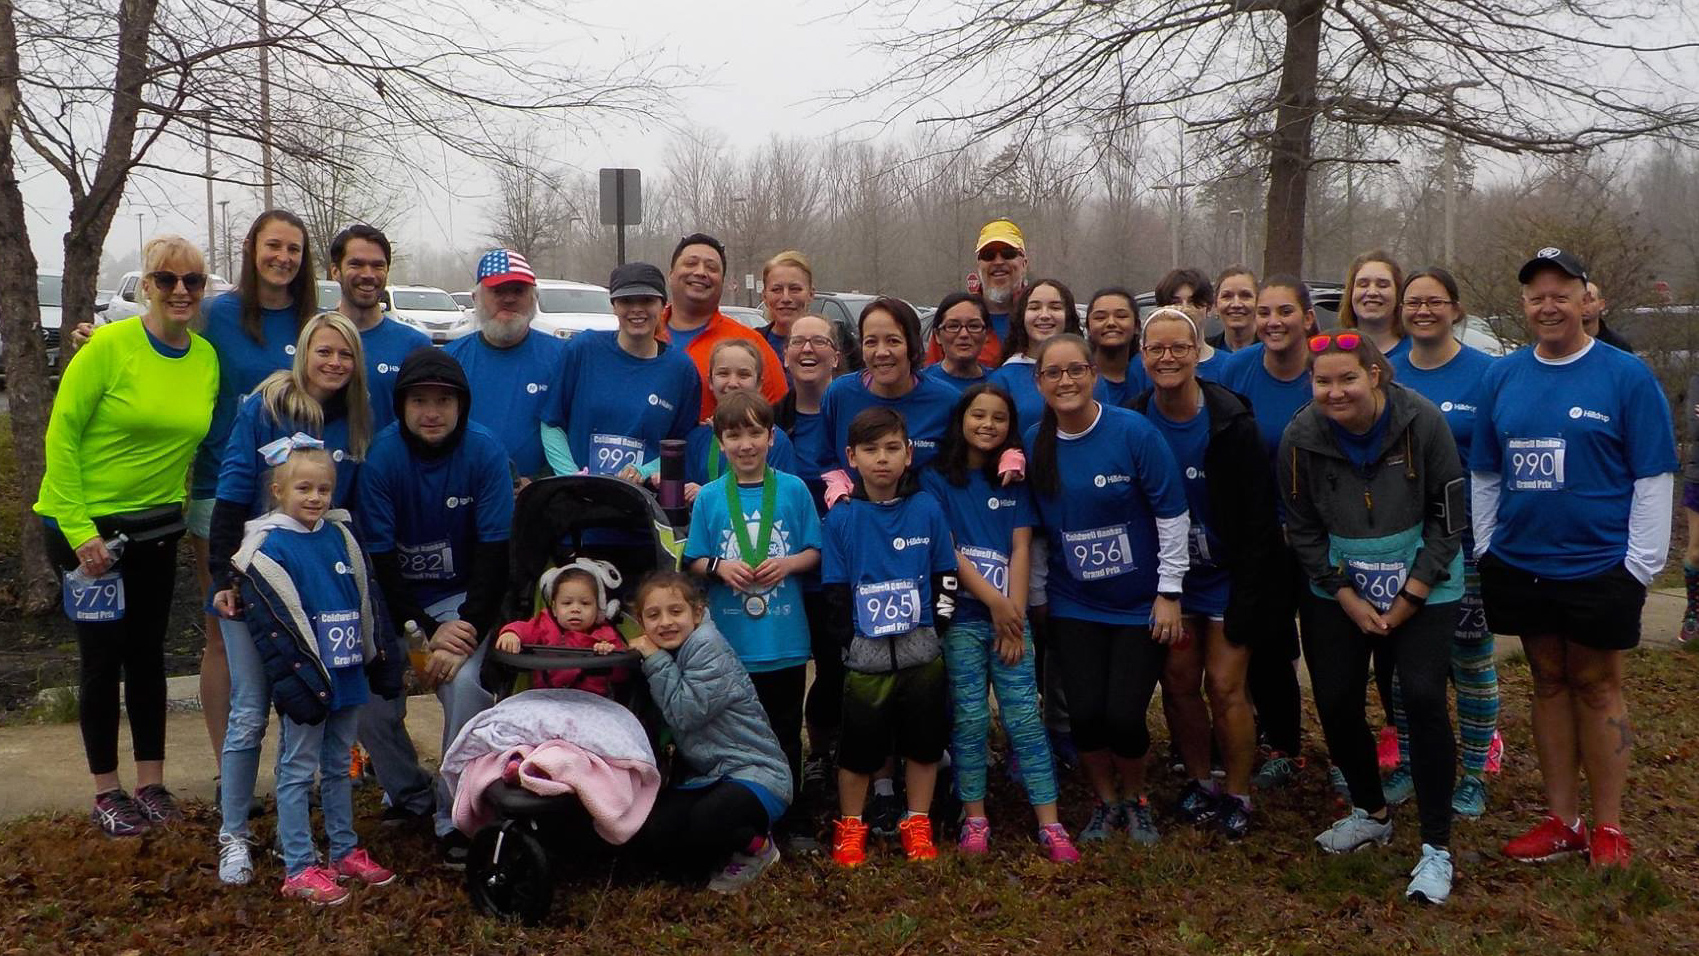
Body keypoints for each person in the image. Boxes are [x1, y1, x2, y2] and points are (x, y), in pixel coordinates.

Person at [1474, 248, 1676, 869]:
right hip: (1522, 561)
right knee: (1548, 681)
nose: (1549, 305)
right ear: (1524, 305)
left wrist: (1639, 565)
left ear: (1587, 300)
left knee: (1597, 685)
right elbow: (1484, 470)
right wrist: (1486, 546)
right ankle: (1562, 819)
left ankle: (1609, 827)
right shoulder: (1502, 376)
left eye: (1562, 293)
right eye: (1537, 295)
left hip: (1600, 566)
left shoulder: (1625, 376)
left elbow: (1653, 475)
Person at [35, 234, 218, 837]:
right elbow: (61, 438)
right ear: (147, 286)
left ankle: (150, 782)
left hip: (157, 526)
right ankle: (106, 791)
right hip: (87, 527)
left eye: (193, 280)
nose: (181, 291)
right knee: (101, 658)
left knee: (147, 657)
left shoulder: (205, 359)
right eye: (167, 280)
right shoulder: (109, 347)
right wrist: (81, 529)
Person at [1279, 330, 1464, 904]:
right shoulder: (1300, 435)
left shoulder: (1423, 422)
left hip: (1423, 580)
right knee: (1334, 699)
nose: (1334, 392)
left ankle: (1437, 846)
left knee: (1424, 697)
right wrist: (1344, 594)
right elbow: (1300, 525)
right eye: (1322, 380)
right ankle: (1371, 811)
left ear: (1375, 375)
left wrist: (1411, 594)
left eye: (1347, 379)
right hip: (1341, 583)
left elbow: (1450, 515)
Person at [206, 312, 372, 885]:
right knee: (250, 712)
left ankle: (299, 840)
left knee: (314, 709)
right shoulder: (266, 406)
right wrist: (224, 579)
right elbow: (230, 494)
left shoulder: (352, 419)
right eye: (324, 351)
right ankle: (234, 834)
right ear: (303, 352)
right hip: (255, 580)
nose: (333, 364)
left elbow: (345, 511)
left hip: (319, 587)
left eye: (345, 355)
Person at [1025, 333, 1189, 845]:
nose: (1066, 381)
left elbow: (1172, 513)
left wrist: (1169, 592)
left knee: (1124, 714)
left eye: (1076, 370)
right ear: (1040, 383)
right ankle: (1106, 800)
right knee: (1086, 714)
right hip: (1075, 602)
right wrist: (1036, 599)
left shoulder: (1132, 432)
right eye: (1053, 373)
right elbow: (1032, 531)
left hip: (1139, 603)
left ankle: (1137, 799)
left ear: (1093, 375)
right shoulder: (1034, 442)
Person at [355, 348, 514, 864]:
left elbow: (497, 555)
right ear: (401, 405)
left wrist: (465, 628)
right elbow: (379, 558)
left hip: (464, 599)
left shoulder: (485, 451)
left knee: (467, 686)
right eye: (419, 401)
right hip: (397, 604)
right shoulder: (383, 458)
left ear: (461, 406)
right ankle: (409, 793)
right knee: (364, 698)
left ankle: (456, 815)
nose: (431, 412)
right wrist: (421, 630)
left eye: (443, 401)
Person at [1129, 308, 1283, 840]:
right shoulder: (1133, 420)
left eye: (1179, 348)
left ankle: (1238, 790)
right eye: (1156, 349)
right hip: (1169, 582)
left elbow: (1261, 520)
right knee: (1178, 683)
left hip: (1225, 574)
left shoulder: (1230, 422)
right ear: (1142, 356)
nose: (1167, 358)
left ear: (1197, 353)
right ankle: (1199, 782)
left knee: (1224, 684)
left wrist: (1251, 593)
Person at [230, 445, 400, 905]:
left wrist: (374, 655)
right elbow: (273, 622)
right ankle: (300, 865)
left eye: (323, 488)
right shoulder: (268, 547)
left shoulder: (341, 536)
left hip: (346, 673)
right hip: (306, 676)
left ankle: (344, 850)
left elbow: (365, 598)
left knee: (339, 765)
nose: (315, 497)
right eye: (303, 488)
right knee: (296, 769)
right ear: (278, 490)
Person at [919, 385, 1078, 862]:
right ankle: (975, 818)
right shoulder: (935, 480)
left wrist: (1015, 615)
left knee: (1025, 719)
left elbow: (1022, 548)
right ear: (961, 420)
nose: (987, 425)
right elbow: (946, 548)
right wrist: (995, 604)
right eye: (978, 415)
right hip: (965, 619)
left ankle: (1051, 823)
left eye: (999, 418)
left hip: (1011, 622)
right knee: (968, 720)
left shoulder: (1015, 482)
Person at [189, 210, 317, 770]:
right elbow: (160, 340)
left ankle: (302, 765)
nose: (283, 258)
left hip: (298, 504)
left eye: (293, 249)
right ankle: (229, 768)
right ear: (251, 249)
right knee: (224, 631)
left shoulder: (314, 321)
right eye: (273, 246)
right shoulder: (215, 314)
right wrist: (99, 338)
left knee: (299, 630)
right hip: (223, 490)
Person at [683, 391, 823, 850]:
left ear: (771, 436)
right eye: (734, 435)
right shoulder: (709, 498)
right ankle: (742, 816)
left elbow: (814, 551)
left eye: (754, 433)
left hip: (782, 638)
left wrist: (787, 565)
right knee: (735, 734)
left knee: (785, 729)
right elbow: (693, 560)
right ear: (719, 442)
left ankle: (793, 817)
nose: (745, 445)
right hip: (731, 643)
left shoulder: (794, 489)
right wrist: (720, 566)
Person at [821, 407, 959, 867]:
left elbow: (945, 574)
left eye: (892, 448)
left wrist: (935, 630)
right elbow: (835, 591)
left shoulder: (926, 508)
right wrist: (850, 642)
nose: (882, 459)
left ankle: (916, 820)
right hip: (866, 660)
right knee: (859, 748)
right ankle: (851, 826)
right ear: (852, 457)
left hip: (922, 655)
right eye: (870, 449)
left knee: (923, 743)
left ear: (908, 454)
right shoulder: (842, 518)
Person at [1386, 268, 1500, 818]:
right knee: (1409, 667)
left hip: (1466, 541)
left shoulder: (1487, 375)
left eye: (1435, 301)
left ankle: (1475, 772)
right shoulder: (1385, 373)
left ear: (1456, 309)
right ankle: (1412, 762)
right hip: (1399, 543)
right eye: (1413, 302)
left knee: (1471, 659)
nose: (1422, 310)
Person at [627, 571, 793, 894]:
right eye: (653, 615)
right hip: (708, 777)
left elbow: (685, 714)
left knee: (708, 820)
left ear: (697, 612)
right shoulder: (671, 649)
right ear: (640, 621)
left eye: (676, 611)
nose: (665, 623)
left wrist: (655, 658)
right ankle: (714, 851)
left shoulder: (708, 646)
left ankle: (759, 849)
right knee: (656, 836)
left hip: (758, 776)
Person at [1218, 275, 1317, 789]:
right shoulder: (1236, 371)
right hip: (1263, 537)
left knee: (1328, 647)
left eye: (1284, 312)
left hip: (1321, 535)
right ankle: (1283, 744)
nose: (1273, 323)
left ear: (1307, 317)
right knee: (1271, 644)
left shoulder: (1325, 372)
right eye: (1264, 313)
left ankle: (1350, 748)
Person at [542, 261, 701, 480]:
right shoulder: (583, 349)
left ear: (663, 306)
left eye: (647, 300)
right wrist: (572, 477)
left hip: (644, 501)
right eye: (626, 301)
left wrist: (645, 471)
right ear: (614, 306)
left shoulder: (681, 369)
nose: (637, 309)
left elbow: (683, 444)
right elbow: (551, 423)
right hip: (577, 499)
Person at [773, 314, 845, 787]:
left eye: (819, 341)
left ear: (836, 356)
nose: (807, 349)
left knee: (838, 666)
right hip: (786, 568)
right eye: (798, 341)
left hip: (841, 566)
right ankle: (792, 763)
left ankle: (829, 749)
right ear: (784, 355)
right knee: (786, 671)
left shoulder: (853, 414)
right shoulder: (771, 422)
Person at [444, 249, 568, 480]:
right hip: (466, 493)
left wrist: (541, 481)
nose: (509, 299)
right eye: (498, 291)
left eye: (518, 291)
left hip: (541, 498)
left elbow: (574, 428)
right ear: (476, 299)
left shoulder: (562, 357)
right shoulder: (450, 359)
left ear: (533, 298)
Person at [821, 297, 960, 471]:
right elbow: (824, 458)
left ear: (913, 345)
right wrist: (836, 481)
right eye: (871, 342)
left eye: (893, 341)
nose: (881, 352)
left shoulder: (947, 401)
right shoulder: (839, 394)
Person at [657, 233, 787, 416]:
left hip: (716, 445)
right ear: (671, 274)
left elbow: (778, 422)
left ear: (722, 281)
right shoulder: (644, 336)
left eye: (711, 267)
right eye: (691, 263)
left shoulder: (751, 345)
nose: (701, 272)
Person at [328, 224, 431, 433]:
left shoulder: (415, 346)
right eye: (356, 264)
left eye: (378, 266)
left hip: (390, 466)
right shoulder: (311, 337)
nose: (368, 274)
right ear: (335, 271)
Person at [493, 561, 627, 695]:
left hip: (588, 702)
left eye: (585, 603)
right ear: (555, 608)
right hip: (545, 699)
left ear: (600, 608)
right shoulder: (544, 625)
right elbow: (523, 628)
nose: (575, 609)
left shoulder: (606, 635)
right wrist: (511, 634)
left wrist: (608, 653)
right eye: (567, 603)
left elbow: (621, 675)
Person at [682, 341, 797, 492]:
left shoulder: (774, 441)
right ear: (710, 381)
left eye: (744, 375)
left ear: (759, 384)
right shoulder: (697, 439)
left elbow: (782, 496)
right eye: (723, 373)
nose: (733, 383)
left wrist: (709, 496)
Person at [926, 219, 1028, 367]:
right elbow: (931, 381)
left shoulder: (1042, 317)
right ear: (978, 265)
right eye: (988, 255)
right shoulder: (953, 319)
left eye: (1008, 253)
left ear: (1024, 262)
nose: (998, 262)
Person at [991, 279, 1084, 428]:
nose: (1045, 315)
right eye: (1034, 308)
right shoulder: (1003, 378)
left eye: (1055, 307)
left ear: (1068, 316)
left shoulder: (1088, 373)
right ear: (1022, 317)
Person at [1338, 250, 1410, 362]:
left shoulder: (1418, 352)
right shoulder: (1332, 351)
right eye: (1363, 285)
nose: (1372, 292)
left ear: (1398, 293)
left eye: (1382, 285)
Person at [1084, 286, 1151, 405]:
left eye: (1121, 316)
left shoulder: (1149, 376)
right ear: (1088, 328)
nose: (1111, 323)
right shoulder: (1078, 379)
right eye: (1100, 317)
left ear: (1137, 326)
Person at [924, 292, 992, 391]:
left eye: (974, 326)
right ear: (937, 335)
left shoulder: (998, 383)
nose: (964, 334)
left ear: (987, 334)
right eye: (953, 326)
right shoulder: (920, 384)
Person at [760, 250, 815, 360]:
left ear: (811, 294)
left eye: (795, 289)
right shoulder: (750, 343)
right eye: (776, 290)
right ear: (764, 296)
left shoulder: (838, 344)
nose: (786, 298)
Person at [1208, 267, 1258, 353]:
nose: (1236, 304)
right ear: (1215, 305)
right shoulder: (1203, 353)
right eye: (1227, 296)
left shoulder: (1272, 351)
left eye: (1245, 296)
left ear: (1258, 302)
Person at [1582, 280, 1634, 352]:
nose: (1585, 305)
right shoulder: (1563, 343)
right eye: (1581, 300)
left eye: (1591, 300)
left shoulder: (1618, 346)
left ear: (1601, 304)